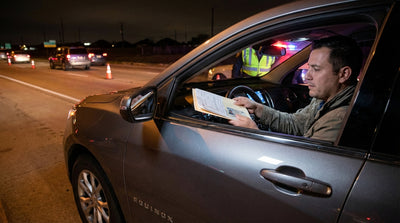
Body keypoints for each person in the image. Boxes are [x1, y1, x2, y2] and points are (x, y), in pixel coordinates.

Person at [229, 35, 363, 142]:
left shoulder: (340, 119)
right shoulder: (324, 99)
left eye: (316, 69)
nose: (307, 77)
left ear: (343, 74)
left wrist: (255, 133)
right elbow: (295, 124)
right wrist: (258, 108)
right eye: (308, 67)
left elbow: (303, 165)